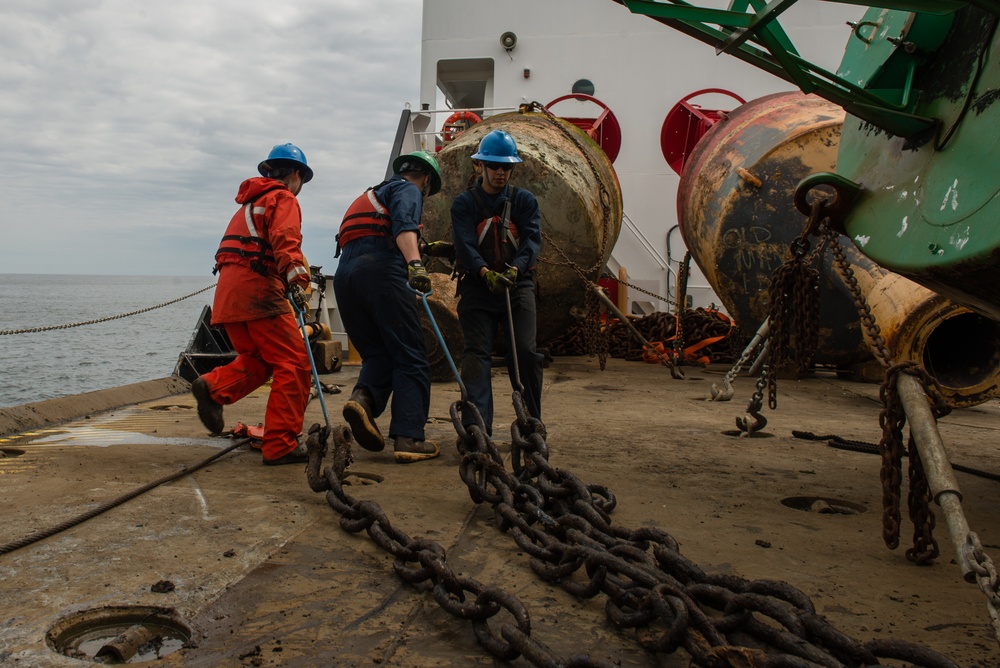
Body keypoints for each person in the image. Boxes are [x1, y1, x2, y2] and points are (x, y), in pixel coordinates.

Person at [191, 143, 315, 466]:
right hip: (258, 291)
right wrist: (298, 283)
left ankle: (213, 389)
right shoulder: (283, 198)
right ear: (297, 175)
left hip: (228, 297)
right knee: (295, 363)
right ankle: (281, 445)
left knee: (260, 359)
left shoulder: (248, 205)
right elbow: (286, 241)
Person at [334, 151, 443, 463]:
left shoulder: (369, 195)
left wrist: (422, 246)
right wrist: (416, 265)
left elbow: (372, 233)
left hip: (345, 278)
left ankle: (362, 400)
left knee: (379, 353)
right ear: (425, 180)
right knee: (411, 355)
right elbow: (404, 227)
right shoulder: (407, 189)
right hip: (381, 273)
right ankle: (409, 437)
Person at [450, 130, 543, 436]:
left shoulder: (524, 201)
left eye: (506, 167)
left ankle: (532, 425)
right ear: (480, 166)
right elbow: (465, 244)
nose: (501, 172)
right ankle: (477, 431)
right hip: (478, 289)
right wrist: (483, 272)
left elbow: (532, 240)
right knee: (477, 356)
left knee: (526, 354)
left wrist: (516, 269)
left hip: (518, 287)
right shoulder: (464, 204)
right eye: (494, 166)